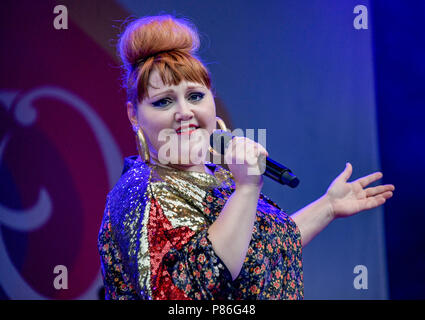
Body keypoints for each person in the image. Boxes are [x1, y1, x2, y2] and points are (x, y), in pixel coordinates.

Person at [97, 14, 395, 300]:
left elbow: (257, 253)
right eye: (163, 102)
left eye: (195, 96)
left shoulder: (220, 176)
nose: (184, 112)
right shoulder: (141, 191)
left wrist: (328, 206)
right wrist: (248, 189)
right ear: (133, 115)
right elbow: (185, 294)